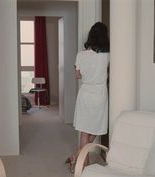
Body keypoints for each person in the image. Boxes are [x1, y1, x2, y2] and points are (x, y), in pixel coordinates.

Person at [65, 22, 110, 173]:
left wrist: (82, 69)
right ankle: (83, 163)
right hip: (100, 93)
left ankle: (77, 158)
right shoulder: (107, 55)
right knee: (99, 127)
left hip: (86, 93)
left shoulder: (81, 54)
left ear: (91, 35)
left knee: (85, 130)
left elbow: (78, 76)